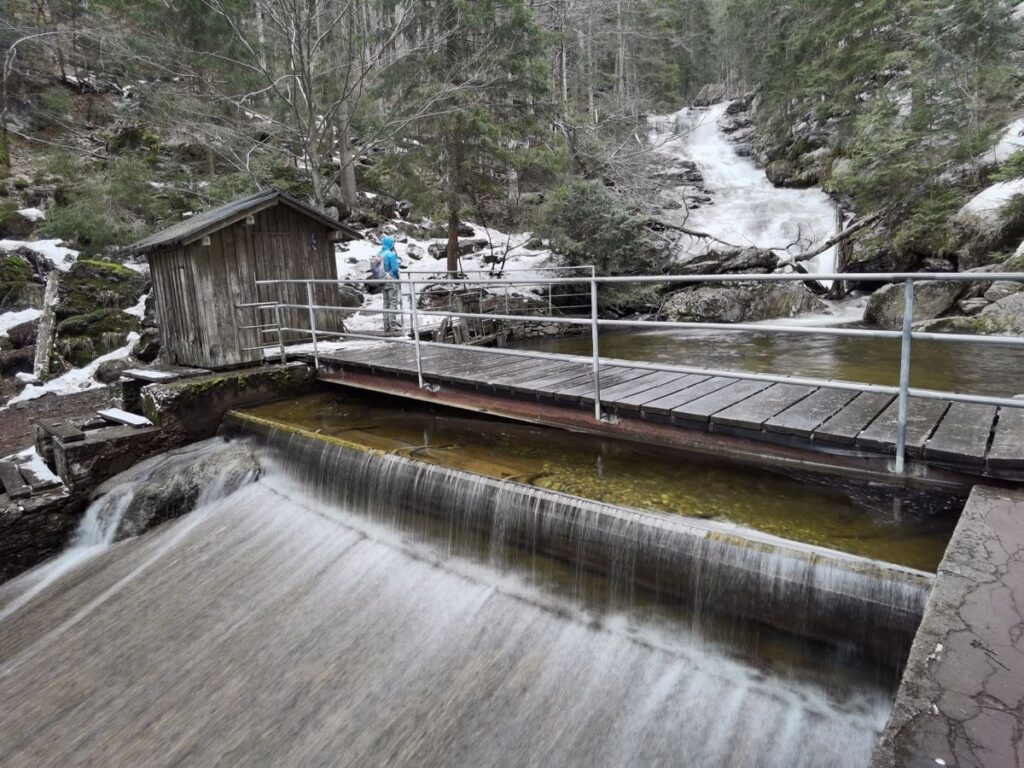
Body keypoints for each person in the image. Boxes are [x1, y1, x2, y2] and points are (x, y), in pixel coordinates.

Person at [380, 235, 402, 333]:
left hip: (381, 281)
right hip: (391, 280)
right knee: (393, 302)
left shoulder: (379, 253)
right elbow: (395, 269)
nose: (394, 244)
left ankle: (386, 325)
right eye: (393, 243)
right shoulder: (391, 255)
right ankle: (393, 324)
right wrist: (398, 280)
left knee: (385, 303)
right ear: (390, 244)